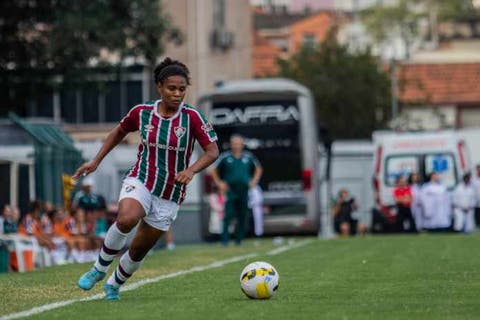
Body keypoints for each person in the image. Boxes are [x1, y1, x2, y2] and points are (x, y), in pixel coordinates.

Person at [73, 57, 219, 300]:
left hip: (170, 193)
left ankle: (114, 284)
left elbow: (213, 150)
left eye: (182, 89)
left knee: (139, 249)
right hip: (142, 179)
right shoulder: (142, 113)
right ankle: (98, 269)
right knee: (127, 218)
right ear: (159, 87)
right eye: (171, 88)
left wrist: (191, 169)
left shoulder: (192, 117)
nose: (177, 94)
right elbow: (119, 131)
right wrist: (96, 160)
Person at [210, 135, 262, 246]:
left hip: (244, 190)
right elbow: (213, 170)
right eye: (234, 143)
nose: (236, 146)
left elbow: (258, 169)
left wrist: (254, 181)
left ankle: (239, 240)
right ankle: (225, 241)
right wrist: (219, 183)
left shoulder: (248, 157)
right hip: (230, 190)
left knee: (243, 215)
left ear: (242, 145)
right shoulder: (225, 157)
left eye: (238, 143)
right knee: (228, 215)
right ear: (231, 144)